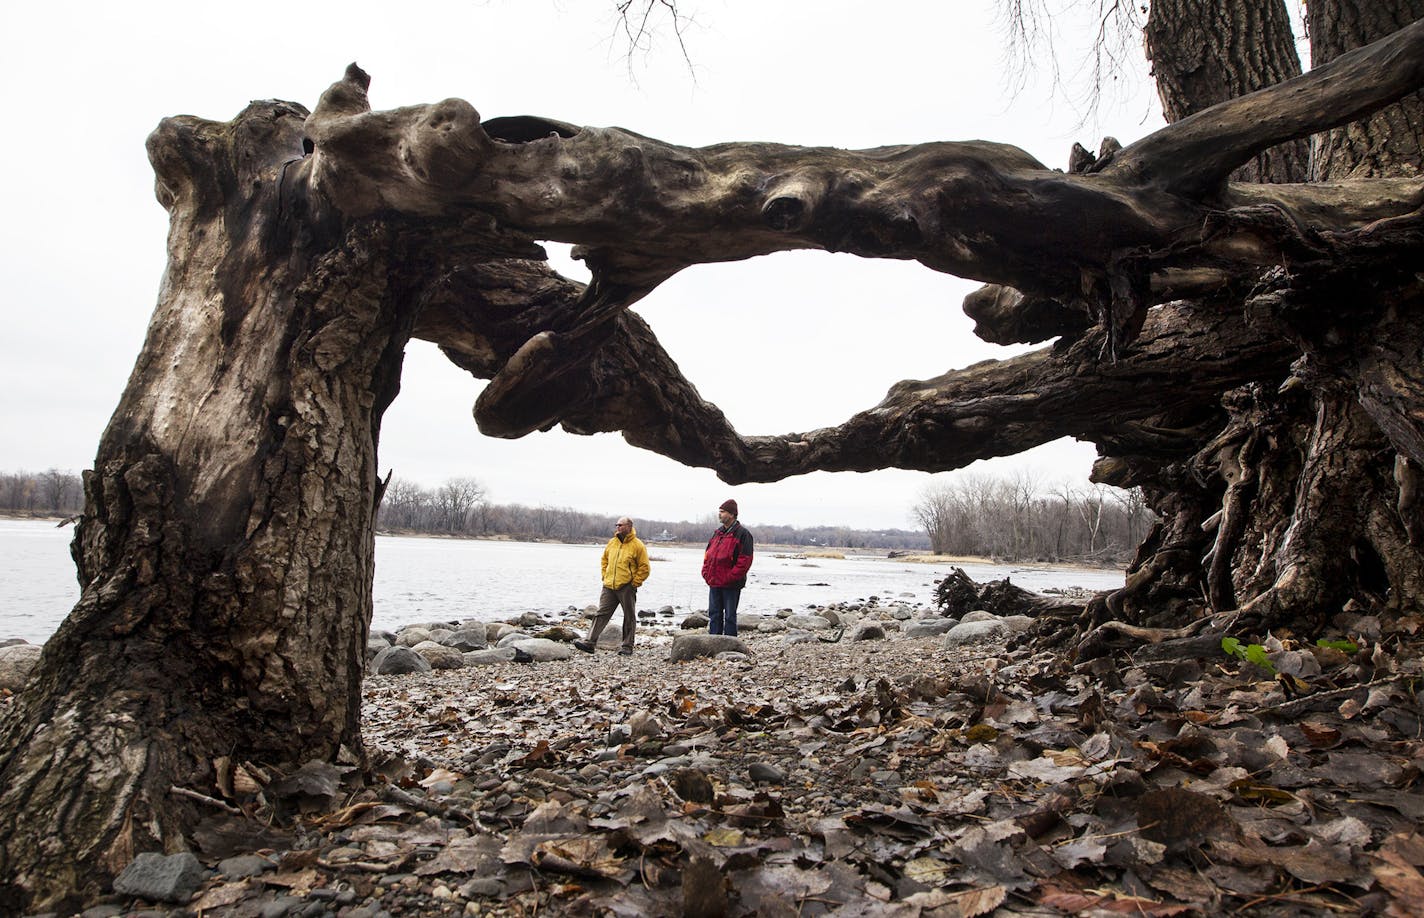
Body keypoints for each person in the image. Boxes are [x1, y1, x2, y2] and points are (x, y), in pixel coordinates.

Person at [574, 516, 650, 656]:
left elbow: (644, 567)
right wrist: (605, 575)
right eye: (616, 525)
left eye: (620, 525)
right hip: (609, 586)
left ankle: (627, 646)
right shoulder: (612, 542)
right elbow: (604, 560)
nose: (617, 527)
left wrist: (634, 583)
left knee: (629, 616)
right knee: (601, 614)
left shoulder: (637, 545)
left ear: (629, 526)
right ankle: (589, 643)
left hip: (626, 586)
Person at [702, 499, 754, 636]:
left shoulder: (743, 534)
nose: (719, 514)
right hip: (714, 582)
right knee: (714, 614)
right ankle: (714, 643)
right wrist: (706, 573)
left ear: (731, 514)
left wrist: (730, 577)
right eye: (719, 511)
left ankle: (730, 645)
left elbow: (745, 561)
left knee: (730, 617)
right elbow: (708, 555)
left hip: (731, 584)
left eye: (722, 512)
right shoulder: (717, 533)